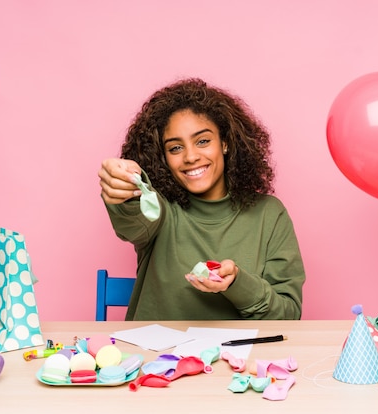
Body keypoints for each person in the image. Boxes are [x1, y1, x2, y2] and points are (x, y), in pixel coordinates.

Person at [98, 78, 305, 320]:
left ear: (225, 143)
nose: (191, 156)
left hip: (237, 356)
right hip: (155, 356)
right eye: (175, 148)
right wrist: (127, 184)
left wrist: (237, 283)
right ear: (163, 157)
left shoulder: (269, 214)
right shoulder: (161, 209)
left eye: (203, 141)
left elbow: (288, 315)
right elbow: (133, 219)